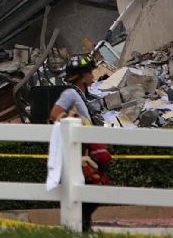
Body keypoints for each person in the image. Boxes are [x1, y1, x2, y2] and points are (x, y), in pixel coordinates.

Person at [49, 54, 107, 232]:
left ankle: (83, 226)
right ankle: (80, 227)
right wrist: (76, 123)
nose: (92, 75)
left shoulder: (83, 95)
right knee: (92, 190)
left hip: (88, 148)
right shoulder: (70, 93)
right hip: (81, 152)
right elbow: (55, 114)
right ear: (81, 76)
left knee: (95, 189)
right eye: (89, 72)